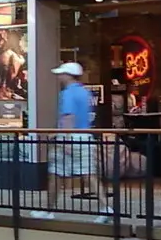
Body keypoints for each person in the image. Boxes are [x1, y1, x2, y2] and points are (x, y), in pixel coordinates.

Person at [31, 62, 113, 222]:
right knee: (89, 174)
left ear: (68, 75)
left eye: (62, 73)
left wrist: (64, 138)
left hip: (69, 137)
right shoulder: (84, 92)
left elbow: (68, 117)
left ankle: (48, 210)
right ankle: (105, 208)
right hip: (84, 136)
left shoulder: (67, 93)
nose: (59, 76)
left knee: (55, 173)